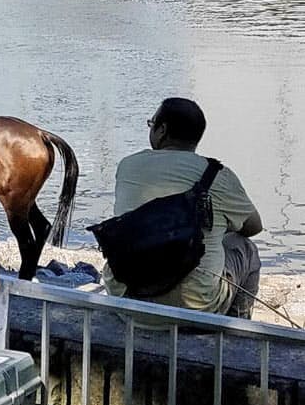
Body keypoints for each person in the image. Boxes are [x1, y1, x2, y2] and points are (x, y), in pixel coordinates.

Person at [103, 97, 262, 318]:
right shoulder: (217, 175)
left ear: (162, 130)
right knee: (245, 247)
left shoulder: (128, 165)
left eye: (152, 123)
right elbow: (253, 227)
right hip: (195, 311)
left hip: (126, 303)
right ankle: (236, 330)